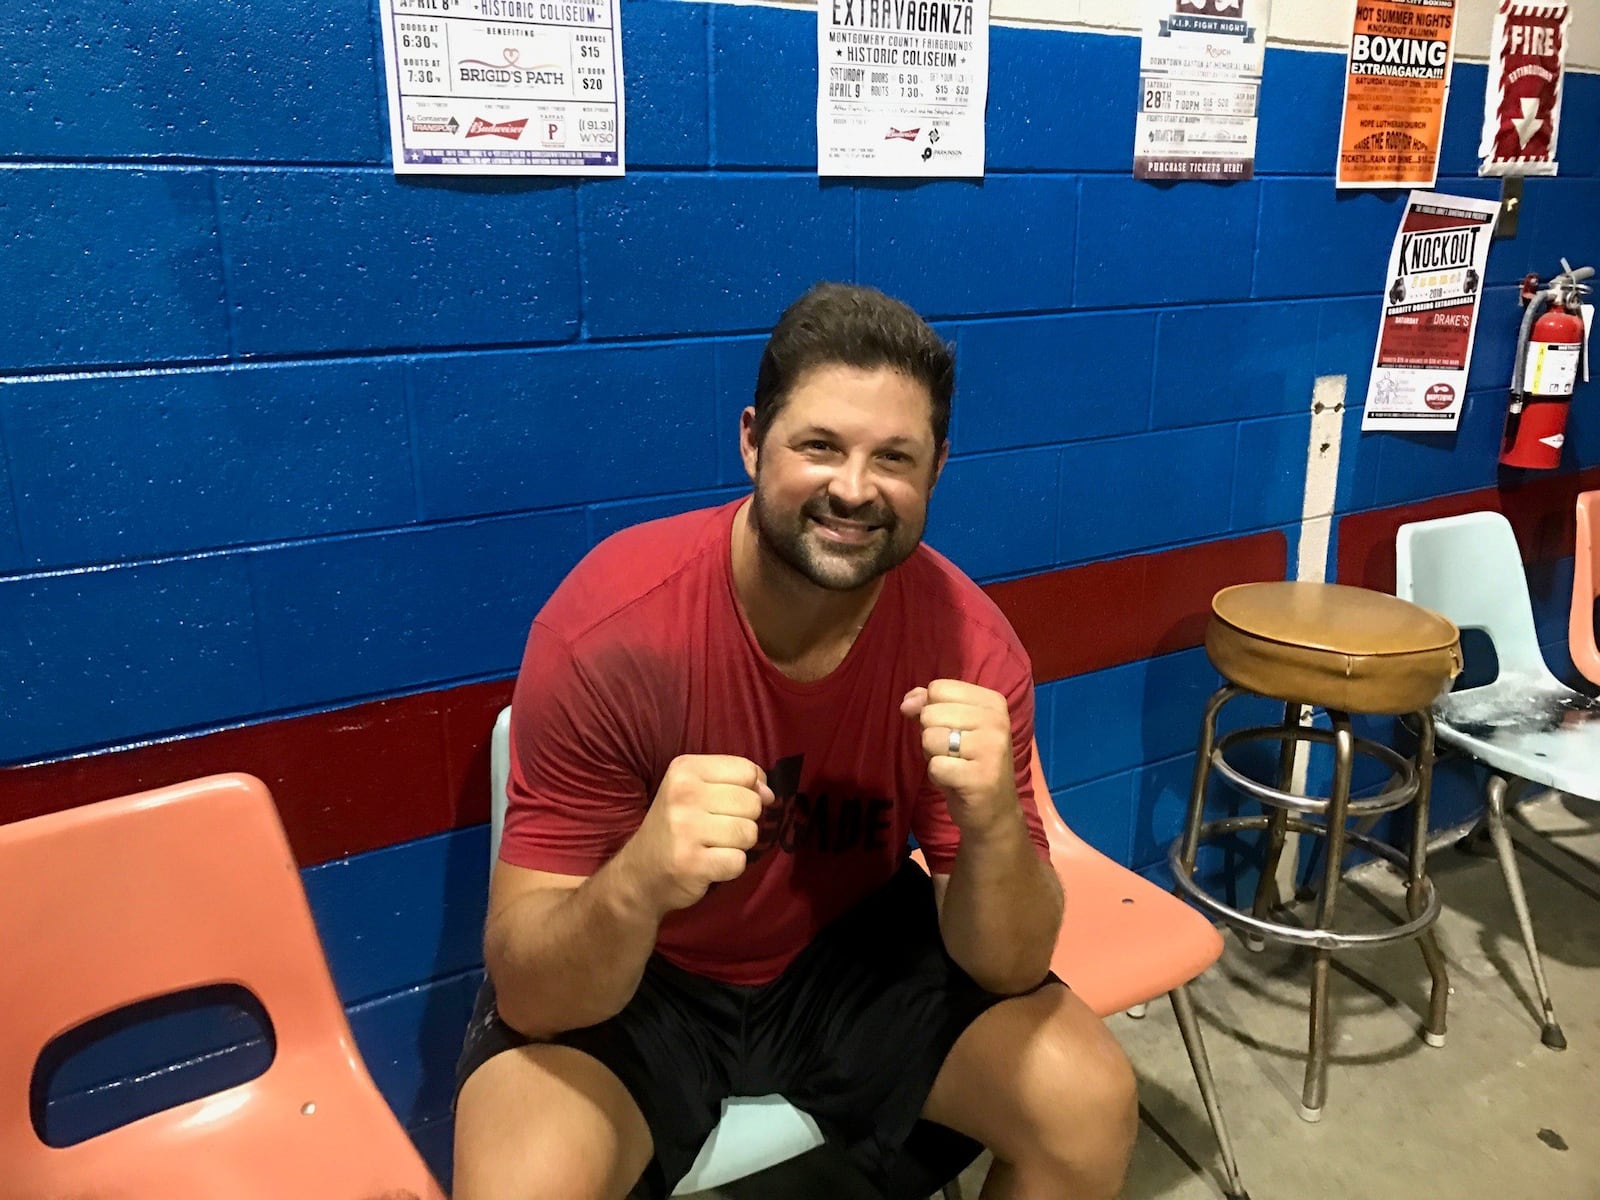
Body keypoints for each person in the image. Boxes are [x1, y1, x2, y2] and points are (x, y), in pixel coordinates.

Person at [453, 283, 1138, 1200]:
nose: (854, 489)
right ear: (750, 441)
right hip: (647, 969)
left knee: (1087, 1102)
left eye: (894, 457)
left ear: (937, 469)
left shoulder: (971, 650)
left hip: (848, 951)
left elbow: (1008, 965)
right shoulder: (610, 630)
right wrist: (642, 878)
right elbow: (531, 989)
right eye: (820, 446)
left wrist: (993, 832)